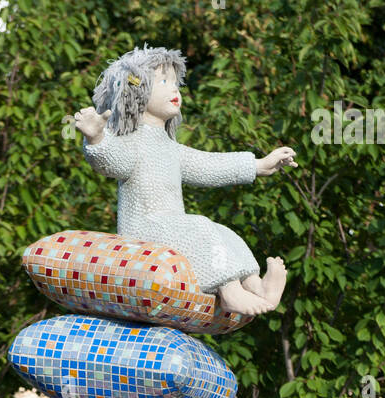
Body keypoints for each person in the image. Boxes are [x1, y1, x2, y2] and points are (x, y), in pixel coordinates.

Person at [74, 45, 297, 318]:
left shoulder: (170, 147)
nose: (174, 90)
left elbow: (208, 165)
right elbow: (112, 162)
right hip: (143, 231)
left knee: (223, 232)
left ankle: (256, 286)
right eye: (164, 82)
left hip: (172, 227)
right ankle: (228, 291)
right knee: (200, 227)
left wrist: (258, 165)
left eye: (176, 83)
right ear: (136, 90)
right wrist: (96, 139)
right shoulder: (132, 143)